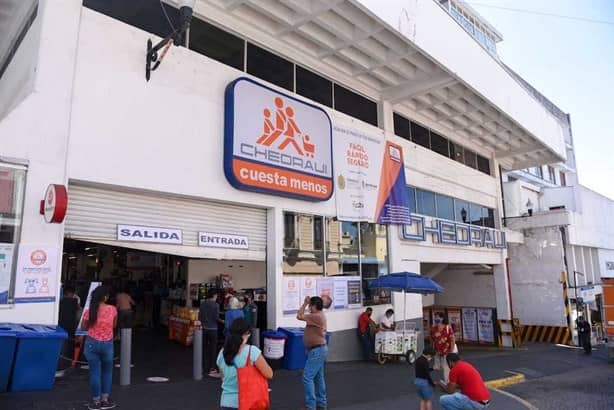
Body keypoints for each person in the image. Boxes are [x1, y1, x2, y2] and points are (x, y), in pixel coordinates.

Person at [217, 318, 273, 410]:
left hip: (226, 402)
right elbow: (269, 374)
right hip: (248, 402)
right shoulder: (252, 351)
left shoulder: (221, 353)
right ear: (246, 334)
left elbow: (224, 378)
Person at [81, 286, 118, 410]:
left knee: (94, 373)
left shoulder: (89, 311)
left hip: (91, 343)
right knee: (107, 372)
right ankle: (105, 400)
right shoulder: (112, 309)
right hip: (107, 344)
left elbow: (83, 328)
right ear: (105, 297)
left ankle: (96, 401)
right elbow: (114, 325)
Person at [297, 296, 328, 410]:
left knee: (307, 377)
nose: (309, 308)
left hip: (317, 350)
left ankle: (311, 405)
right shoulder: (319, 316)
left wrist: (304, 303)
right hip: (317, 349)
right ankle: (321, 403)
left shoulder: (316, 316)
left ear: (315, 306)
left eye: (311, 305)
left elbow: (299, 316)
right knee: (318, 377)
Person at [200, 289, 224, 378]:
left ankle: (203, 367)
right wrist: (222, 321)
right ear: (214, 295)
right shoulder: (216, 305)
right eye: (216, 295)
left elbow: (200, 317)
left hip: (204, 328)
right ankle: (212, 368)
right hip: (213, 329)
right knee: (213, 348)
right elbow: (216, 318)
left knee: (205, 348)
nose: (217, 296)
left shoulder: (203, 304)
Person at [431, 312, 455, 383]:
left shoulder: (448, 328)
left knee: (445, 367)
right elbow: (432, 339)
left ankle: (448, 382)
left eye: (437, 317)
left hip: (446, 351)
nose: (436, 319)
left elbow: (452, 340)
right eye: (435, 317)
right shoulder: (433, 328)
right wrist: (431, 349)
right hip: (437, 351)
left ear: (442, 318)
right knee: (436, 367)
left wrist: (451, 351)